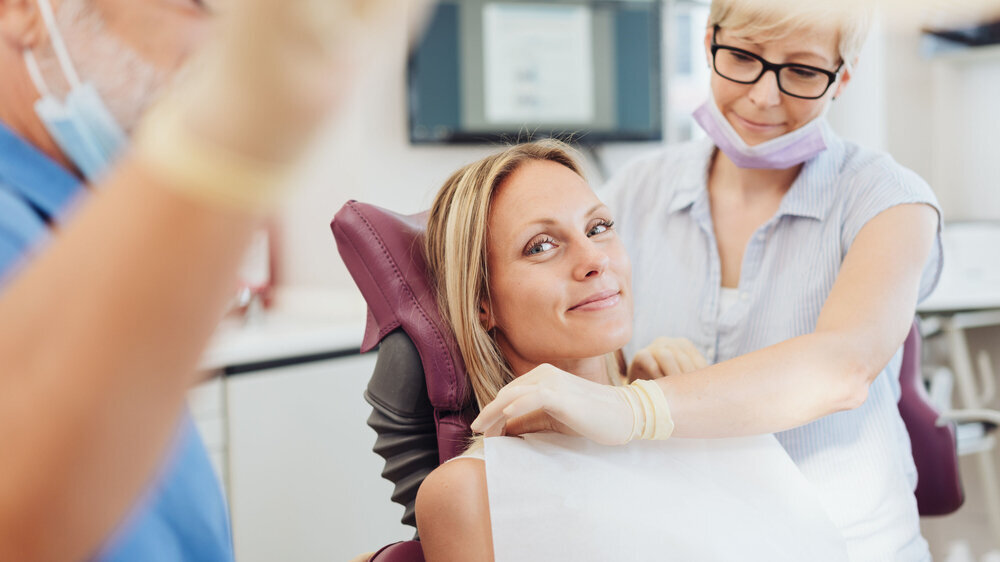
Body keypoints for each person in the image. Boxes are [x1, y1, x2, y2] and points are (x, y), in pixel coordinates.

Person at [471, 1, 941, 560]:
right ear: (709, 41)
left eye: (802, 71)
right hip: (692, 540)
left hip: (850, 546)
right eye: (742, 57)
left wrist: (639, 406)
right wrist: (628, 373)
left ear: (845, 75)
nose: (764, 96)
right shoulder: (639, 191)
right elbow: (581, 341)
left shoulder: (890, 201)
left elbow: (843, 367)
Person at [0, 0, 400, 559]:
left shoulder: (89, 230)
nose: (217, 42)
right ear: (24, 9)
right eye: (194, 5)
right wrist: (229, 131)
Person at [413, 140, 851, 562]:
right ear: (482, 304)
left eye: (598, 228)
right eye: (541, 245)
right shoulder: (471, 489)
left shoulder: (685, 409)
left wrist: (662, 409)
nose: (594, 259)